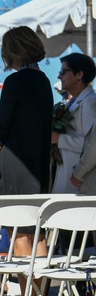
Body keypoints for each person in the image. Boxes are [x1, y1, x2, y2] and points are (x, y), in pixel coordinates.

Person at [0, 27, 53, 256]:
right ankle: (37, 293)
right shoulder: (44, 82)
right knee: (37, 232)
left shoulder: (14, 82)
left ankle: (25, 293)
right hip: (38, 166)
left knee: (18, 232)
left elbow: (0, 129)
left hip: (14, 167)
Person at [51, 53, 96, 194]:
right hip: (68, 177)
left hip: (79, 182)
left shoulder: (90, 103)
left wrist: (59, 139)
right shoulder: (74, 102)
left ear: (79, 75)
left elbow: (91, 145)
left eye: (63, 72)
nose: (59, 77)